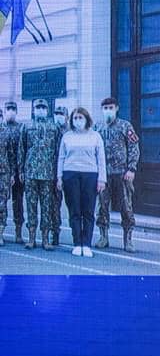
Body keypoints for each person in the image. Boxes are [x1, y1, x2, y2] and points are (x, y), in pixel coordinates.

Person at [57, 108, 106, 257]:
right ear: (71, 120)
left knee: (88, 211)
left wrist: (102, 179)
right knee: (75, 210)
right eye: (75, 118)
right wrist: (59, 177)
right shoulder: (67, 136)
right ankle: (77, 243)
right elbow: (61, 157)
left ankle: (87, 244)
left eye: (81, 118)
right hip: (70, 175)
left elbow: (101, 159)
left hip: (90, 176)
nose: (78, 121)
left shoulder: (95, 136)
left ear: (86, 119)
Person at [94, 97, 139, 252]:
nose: (108, 110)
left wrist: (131, 168)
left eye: (111, 107)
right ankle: (103, 237)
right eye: (105, 108)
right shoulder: (97, 127)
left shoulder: (125, 126)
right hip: (104, 175)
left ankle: (128, 240)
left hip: (122, 174)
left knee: (126, 207)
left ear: (116, 108)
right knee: (102, 207)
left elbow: (134, 147)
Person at [19, 99, 60, 250]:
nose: (40, 109)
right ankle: (31, 238)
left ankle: (45, 239)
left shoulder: (54, 127)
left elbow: (58, 152)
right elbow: (21, 149)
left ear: (47, 110)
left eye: (43, 107)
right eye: (38, 107)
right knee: (31, 206)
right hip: (30, 172)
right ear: (33, 109)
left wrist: (57, 173)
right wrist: (21, 170)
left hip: (48, 174)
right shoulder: (26, 126)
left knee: (46, 207)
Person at [0, 101, 25, 246]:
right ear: (5, 111)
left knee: (18, 202)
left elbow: (22, 150)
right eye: (8, 109)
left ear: (16, 111)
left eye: (13, 109)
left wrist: (20, 171)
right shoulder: (2, 128)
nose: (10, 111)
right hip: (4, 171)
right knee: (2, 202)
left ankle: (18, 232)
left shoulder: (21, 128)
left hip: (17, 171)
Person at [50, 105, 69, 246]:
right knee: (54, 205)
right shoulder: (50, 130)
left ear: (67, 117)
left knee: (74, 205)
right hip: (53, 173)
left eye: (61, 114)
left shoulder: (71, 132)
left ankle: (78, 235)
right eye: (56, 113)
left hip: (69, 173)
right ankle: (55, 232)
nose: (58, 116)